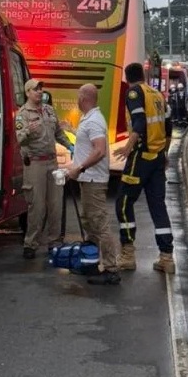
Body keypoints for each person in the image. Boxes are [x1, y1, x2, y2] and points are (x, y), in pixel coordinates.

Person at [112, 62, 176, 274]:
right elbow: (168, 128)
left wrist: (127, 147)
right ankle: (166, 257)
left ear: (127, 78)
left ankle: (128, 254)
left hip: (141, 157)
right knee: (158, 206)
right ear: (143, 75)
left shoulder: (134, 93)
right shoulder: (157, 95)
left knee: (123, 202)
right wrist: (165, 154)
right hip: (157, 158)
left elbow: (138, 123)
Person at [66, 84, 121, 286]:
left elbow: (99, 151)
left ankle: (111, 269)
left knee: (99, 224)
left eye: (79, 96)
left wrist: (78, 168)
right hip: (87, 180)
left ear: (84, 98)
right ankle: (90, 262)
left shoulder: (95, 121)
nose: (77, 100)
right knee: (89, 222)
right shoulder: (89, 118)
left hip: (93, 180)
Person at [16, 79, 74, 259]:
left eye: (41, 89)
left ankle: (55, 242)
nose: (40, 92)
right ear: (28, 93)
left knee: (56, 204)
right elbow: (19, 140)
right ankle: (30, 244)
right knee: (37, 206)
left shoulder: (49, 110)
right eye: (35, 89)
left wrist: (71, 145)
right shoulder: (22, 114)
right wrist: (27, 131)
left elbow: (58, 133)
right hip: (35, 164)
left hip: (52, 163)